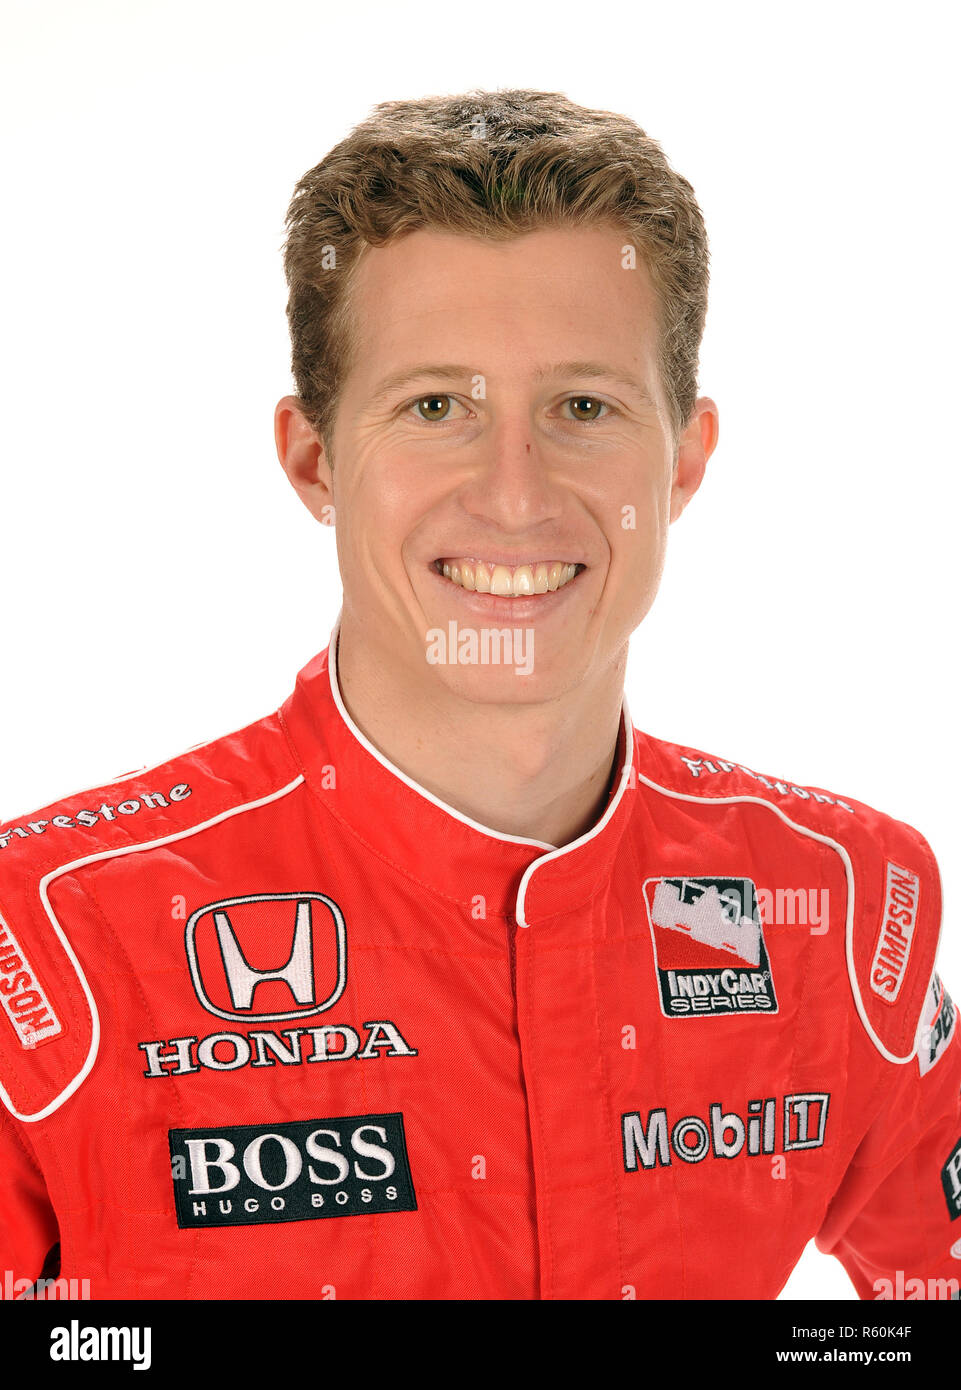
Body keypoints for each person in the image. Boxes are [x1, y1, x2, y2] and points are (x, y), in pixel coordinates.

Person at [1, 88, 958, 1302]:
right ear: (313, 459)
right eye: (436, 407)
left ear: (685, 460)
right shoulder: (46, 939)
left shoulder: (842, 900)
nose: (514, 495)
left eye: (582, 407)